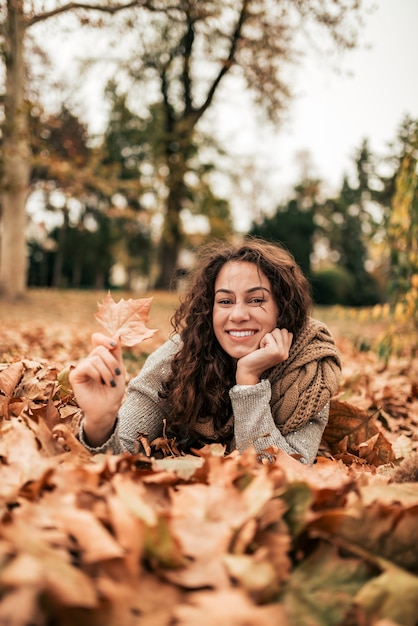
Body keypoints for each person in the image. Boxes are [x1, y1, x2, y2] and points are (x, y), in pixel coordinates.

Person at [69, 238, 342, 464]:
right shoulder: (180, 357)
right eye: (225, 301)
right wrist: (100, 422)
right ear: (209, 309)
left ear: (282, 308)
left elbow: (283, 478)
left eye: (256, 300)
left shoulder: (310, 372)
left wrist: (248, 382)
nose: (237, 314)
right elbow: (118, 455)